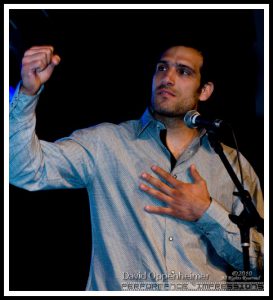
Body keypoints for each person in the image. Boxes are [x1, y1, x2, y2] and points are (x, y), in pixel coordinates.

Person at [9, 42, 264, 291]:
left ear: (205, 90)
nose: (168, 78)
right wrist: (27, 94)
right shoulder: (106, 144)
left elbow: (260, 265)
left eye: (183, 71)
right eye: (162, 68)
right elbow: (23, 169)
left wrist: (205, 212)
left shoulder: (232, 164)